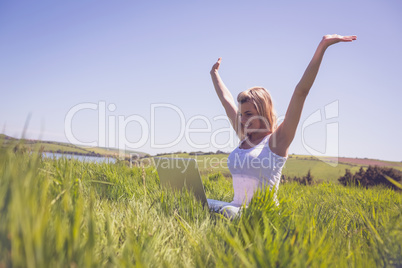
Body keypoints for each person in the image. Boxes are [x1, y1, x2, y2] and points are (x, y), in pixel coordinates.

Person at [210, 34, 357, 218]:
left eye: (249, 114)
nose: (242, 120)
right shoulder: (244, 136)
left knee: (223, 211)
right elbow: (226, 101)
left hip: (260, 214)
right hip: (234, 209)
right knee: (199, 201)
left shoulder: (277, 141)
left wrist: (323, 46)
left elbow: (301, 92)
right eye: (241, 114)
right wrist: (214, 74)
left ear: (263, 112)